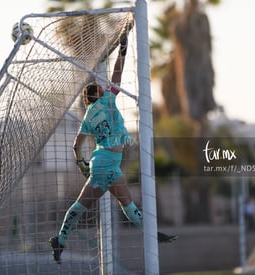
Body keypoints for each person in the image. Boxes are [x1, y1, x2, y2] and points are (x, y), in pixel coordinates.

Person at [49, 34, 177, 264]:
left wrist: (81, 164)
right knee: (126, 202)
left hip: (102, 164)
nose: (102, 86)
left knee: (83, 204)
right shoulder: (106, 100)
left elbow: (76, 144)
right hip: (107, 164)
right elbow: (117, 73)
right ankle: (153, 235)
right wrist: (123, 49)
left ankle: (60, 238)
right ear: (95, 94)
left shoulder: (88, 115)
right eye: (98, 87)